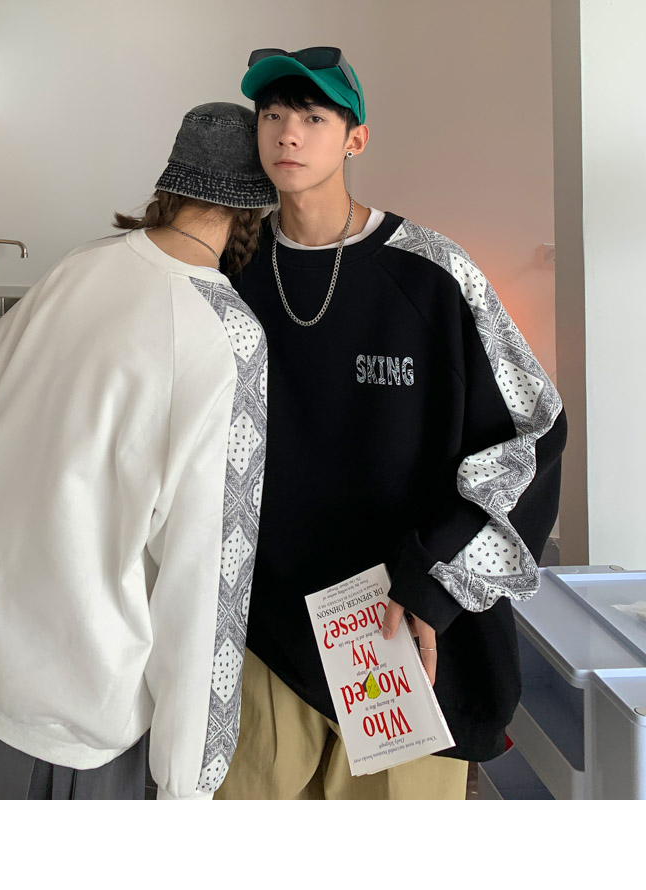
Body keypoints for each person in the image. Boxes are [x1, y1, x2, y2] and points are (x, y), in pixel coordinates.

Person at [0, 102, 276, 800]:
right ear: (254, 207)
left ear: (172, 182)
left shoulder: (82, 263)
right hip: (69, 693)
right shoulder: (229, 336)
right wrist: (190, 774)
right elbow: (209, 566)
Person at [214, 48, 568, 800]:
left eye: (313, 117)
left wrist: (435, 581)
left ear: (356, 138)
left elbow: (533, 435)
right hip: (263, 629)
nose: (287, 134)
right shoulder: (228, 271)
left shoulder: (432, 272)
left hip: (398, 627)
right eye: (271, 116)